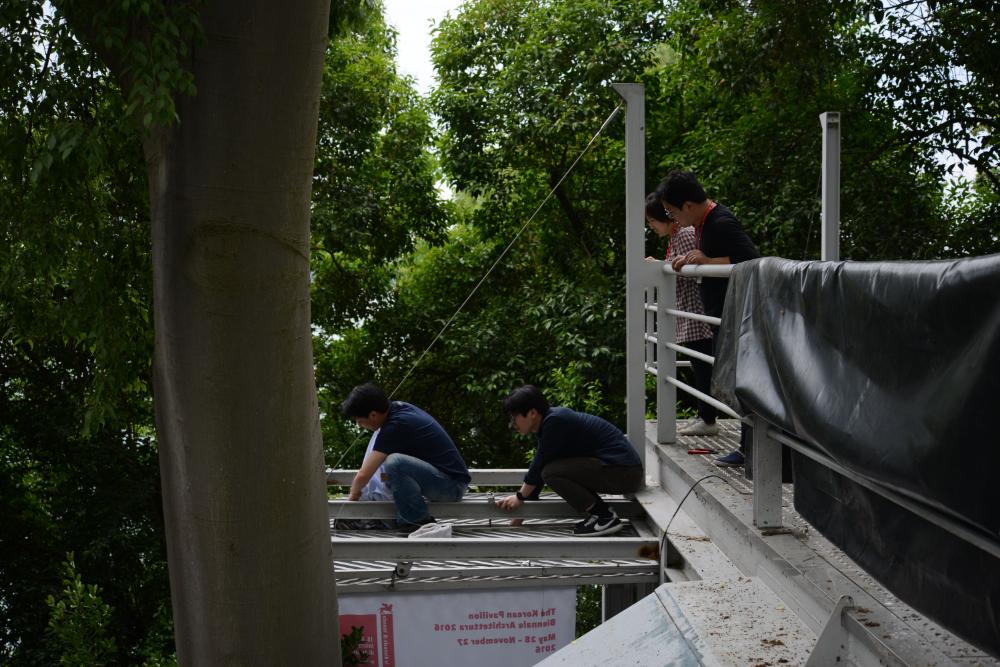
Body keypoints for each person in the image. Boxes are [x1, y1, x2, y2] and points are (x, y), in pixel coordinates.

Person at [657, 171, 760, 467]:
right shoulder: (705, 223)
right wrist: (693, 259)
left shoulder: (721, 222)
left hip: (738, 316)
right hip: (723, 316)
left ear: (688, 205)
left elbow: (752, 260)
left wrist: (707, 261)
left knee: (744, 384)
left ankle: (748, 450)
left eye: (672, 211)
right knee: (737, 383)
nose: (673, 217)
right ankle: (746, 449)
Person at [496, 385, 644, 537]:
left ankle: (604, 516)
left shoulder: (555, 423)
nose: (512, 424)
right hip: (620, 470)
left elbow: (540, 468)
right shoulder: (550, 422)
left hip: (623, 473)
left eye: (515, 418)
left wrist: (519, 497)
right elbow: (540, 468)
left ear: (532, 413)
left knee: (551, 473)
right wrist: (518, 519)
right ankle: (601, 515)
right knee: (549, 470)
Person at [341, 383, 470, 532]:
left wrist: (350, 505)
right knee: (392, 465)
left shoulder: (396, 425)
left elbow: (364, 474)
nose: (361, 426)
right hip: (443, 480)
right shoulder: (397, 408)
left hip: (452, 487)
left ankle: (415, 520)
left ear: (373, 415)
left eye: (360, 422)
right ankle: (403, 516)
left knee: (395, 463)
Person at [645, 192, 718, 436]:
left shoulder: (684, 235)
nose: (651, 226)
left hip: (696, 313)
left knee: (703, 366)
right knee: (700, 365)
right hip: (690, 313)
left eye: (652, 221)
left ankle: (707, 419)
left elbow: (691, 271)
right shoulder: (678, 235)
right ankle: (705, 417)